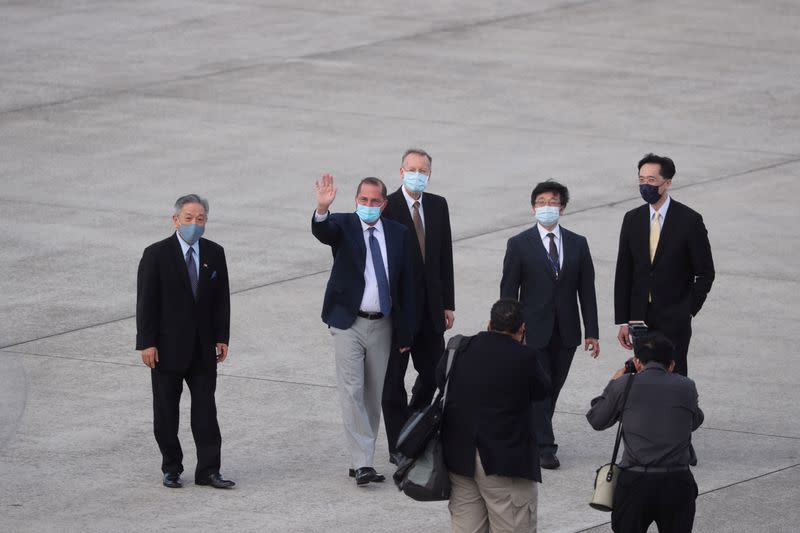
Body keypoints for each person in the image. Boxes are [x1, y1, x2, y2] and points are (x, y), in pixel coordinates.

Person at [311, 174, 415, 486]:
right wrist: (321, 208)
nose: (368, 205)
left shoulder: (398, 233)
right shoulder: (343, 225)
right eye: (363, 200)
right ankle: (362, 462)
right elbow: (323, 230)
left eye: (374, 201)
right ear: (356, 200)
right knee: (352, 390)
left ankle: (362, 460)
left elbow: (406, 285)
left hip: (383, 323)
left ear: (384, 204)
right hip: (347, 322)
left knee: (373, 394)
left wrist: (406, 332)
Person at [136, 194, 234, 489]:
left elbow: (221, 300)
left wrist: (222, 337)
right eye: (189, 218)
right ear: (175, 220)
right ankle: (171, 467)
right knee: (166, 411)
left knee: (206, 410)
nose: (194, 224)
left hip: (203, 349)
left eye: (200, 219)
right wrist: (147, 342)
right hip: (165, 350)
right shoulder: (156, 254)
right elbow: (146, 302)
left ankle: (208, 470)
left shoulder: (215, 253)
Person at [500, 180, 599, 469]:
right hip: (531, 330)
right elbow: (509, 290)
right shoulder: (518, 244)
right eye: (541, 202)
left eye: (553, 202)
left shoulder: (578, 244)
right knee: (540, 387)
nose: (547, 207)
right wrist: (507, 330)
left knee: (552, 387)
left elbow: (587, 291)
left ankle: (531, 434)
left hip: (566, 331)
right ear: (533, 208)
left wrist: (591, 331)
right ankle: (545, 447)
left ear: (563, 208)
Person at [440, 299, 550, 533]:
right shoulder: (525, 358)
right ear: (522, 329)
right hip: (505, 463)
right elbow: (543, 390)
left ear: (489, 323)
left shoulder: (459, 348)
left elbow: (440, 381)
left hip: (461, 458)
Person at [586, 331, 703, 532]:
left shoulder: (625, 384)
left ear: (637, 362)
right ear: (672, 364)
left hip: (636, 483)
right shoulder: (687, 387)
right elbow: (694, 421)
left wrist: (614, 383)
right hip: (677, 482)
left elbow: (597, 419)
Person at [381, 148, 455, 464]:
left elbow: (444, 256)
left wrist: (448, 302)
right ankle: (398, 446)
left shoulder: (438, 205)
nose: (417, 174)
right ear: (400, 172)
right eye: (411, 169)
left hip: (432, 309)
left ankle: (416, 420)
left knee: (435, 373)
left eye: (422, 170)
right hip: (400, 312)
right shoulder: (388, 206)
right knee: (392, 382)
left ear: (429, 174)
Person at [614, 153, 715, 376]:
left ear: (667, 182)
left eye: (651, 180)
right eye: (641, 179)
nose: (645, 185)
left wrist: (687, 309)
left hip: (674, 317)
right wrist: (623, 320)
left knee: (674, 373)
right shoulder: (632, 219)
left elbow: (706, 272)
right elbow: (624, 272)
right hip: (640, 318)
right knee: (640, 375)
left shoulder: (689, 220)